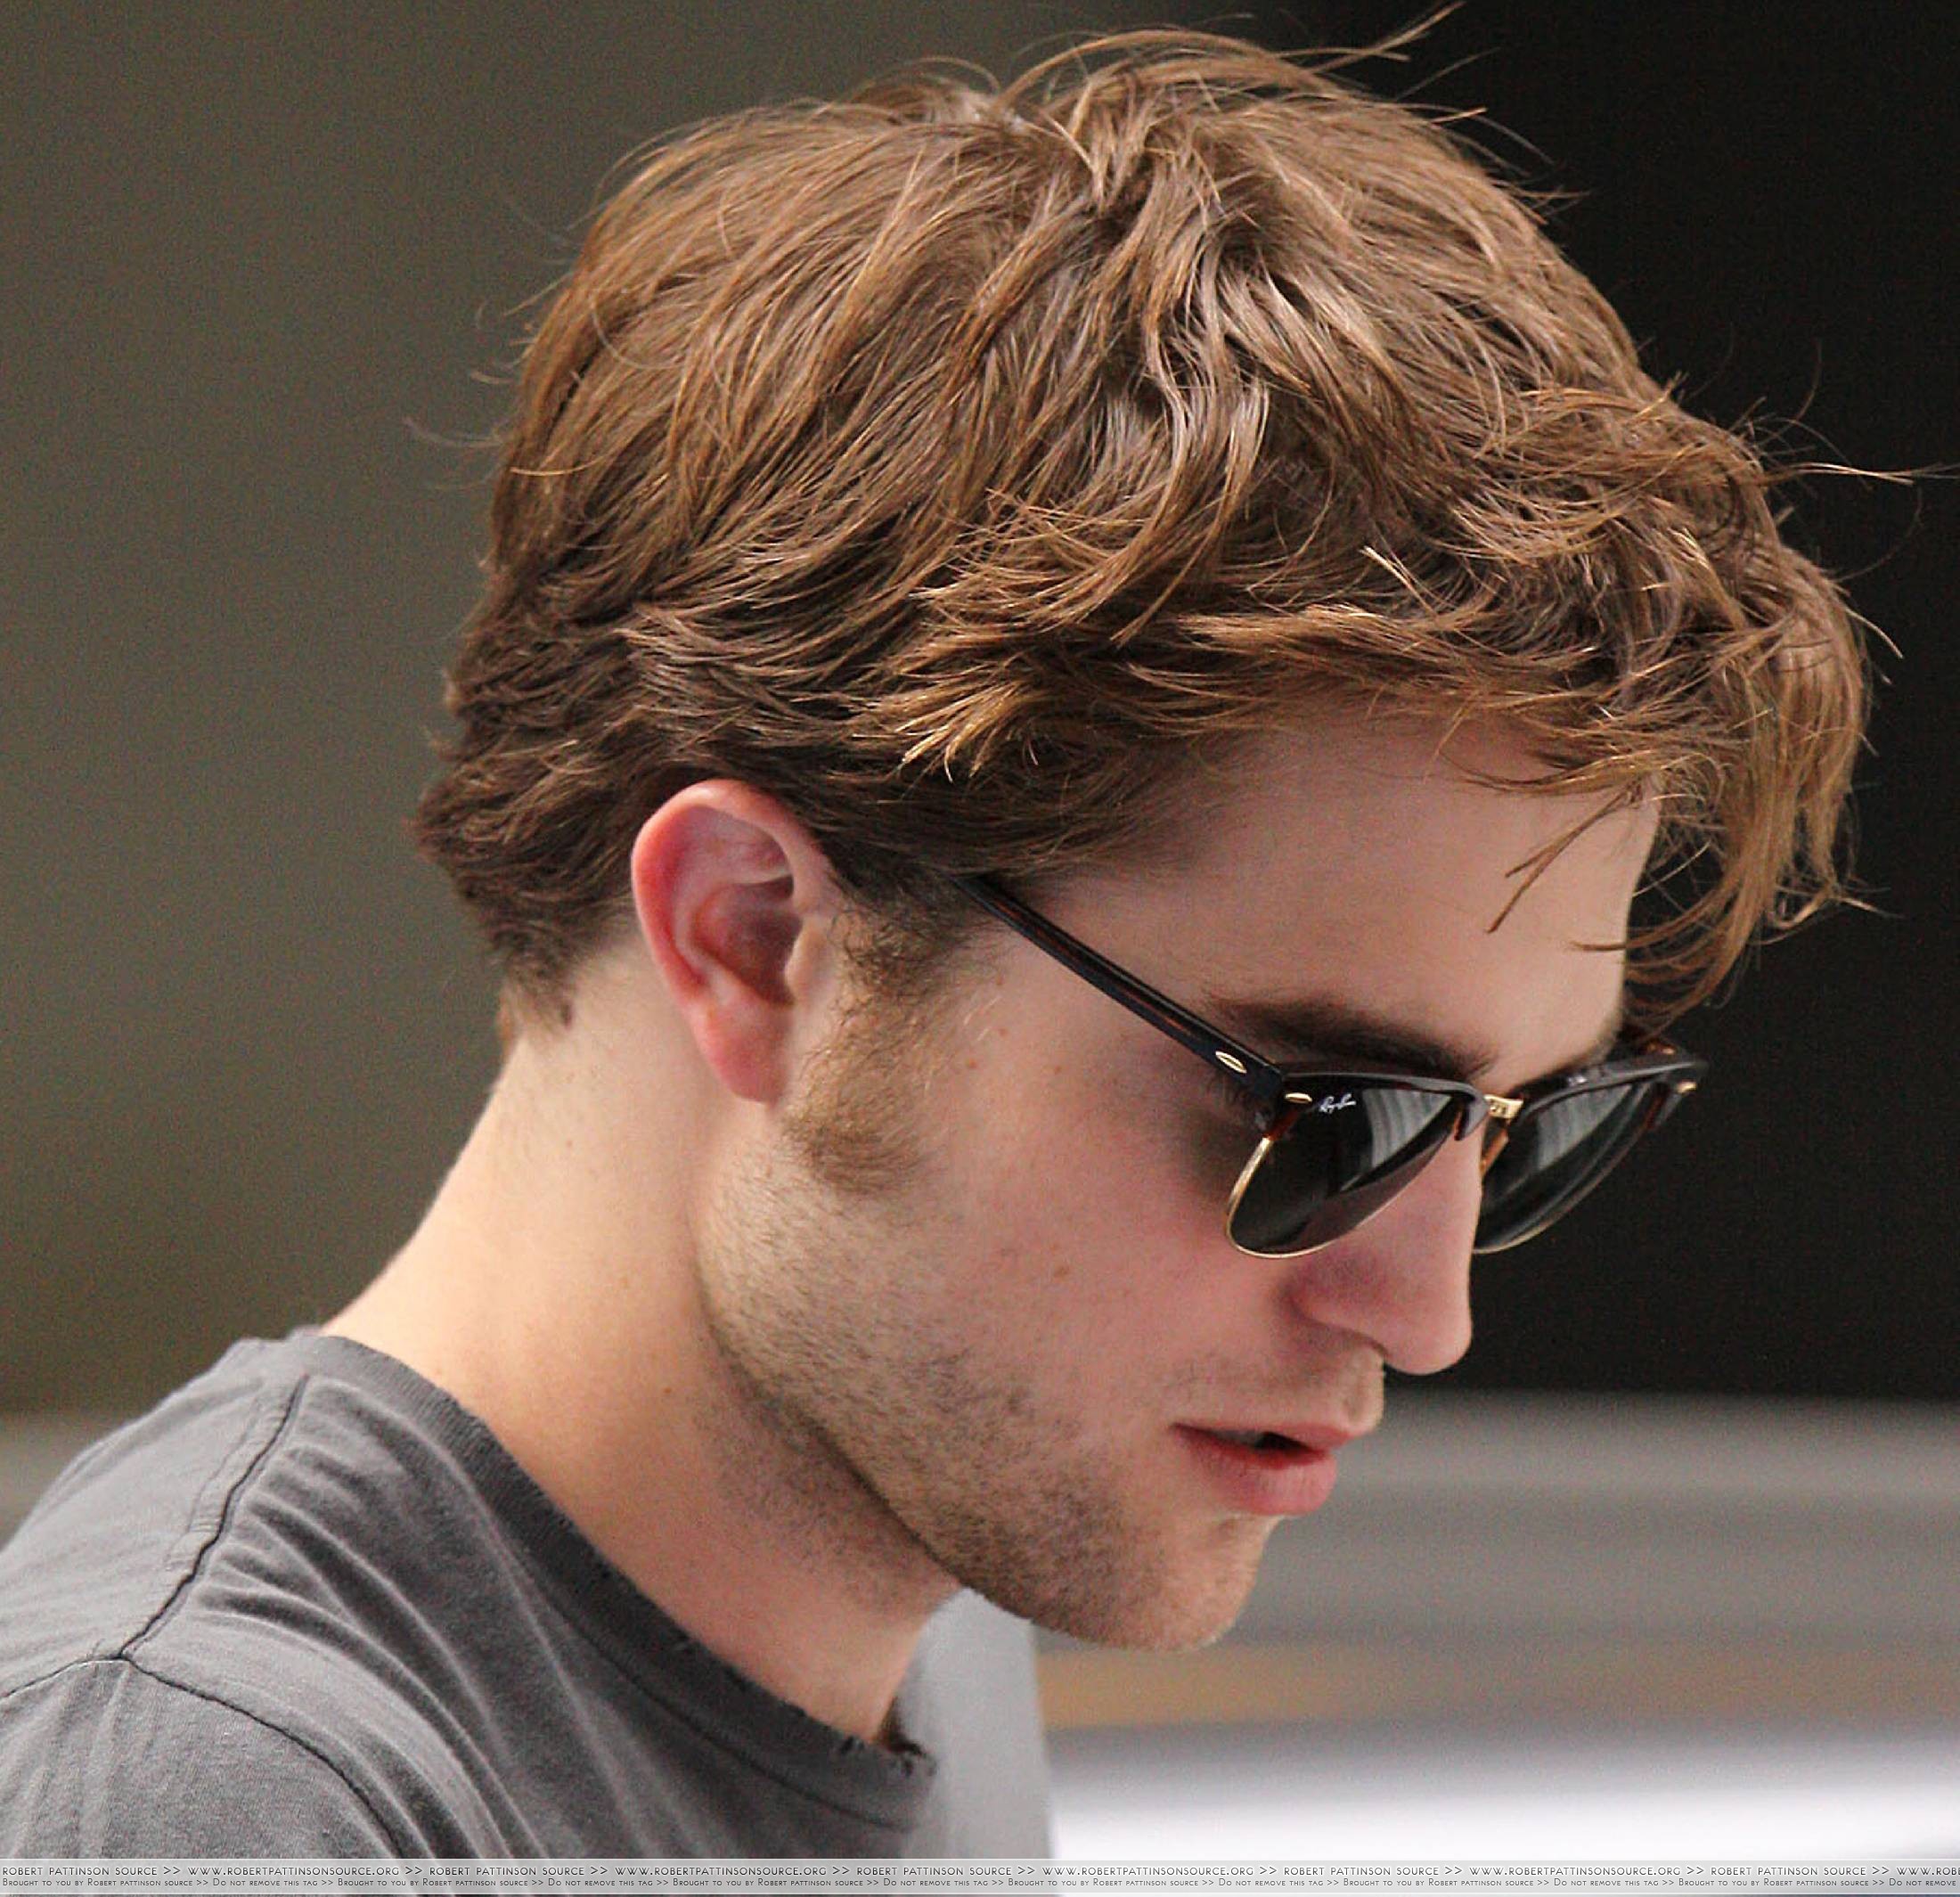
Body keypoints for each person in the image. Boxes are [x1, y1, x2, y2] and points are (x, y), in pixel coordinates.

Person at [0, 28, 1866, 1860]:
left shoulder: (925, 1585)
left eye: (1528, 1129)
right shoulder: (213, 1797)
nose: (1424, 1312)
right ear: (752, 939)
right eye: (1324, 1115)